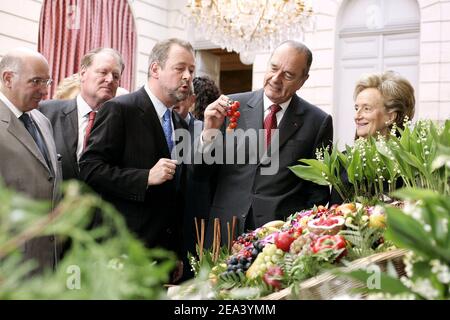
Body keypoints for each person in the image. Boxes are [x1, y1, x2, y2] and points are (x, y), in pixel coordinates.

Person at [78, 38, 194, 282]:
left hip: (162, 260)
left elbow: (177, 196)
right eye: (179, 68)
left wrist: (176, 253)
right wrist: (144, 178)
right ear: (155, 69)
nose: (187, 77)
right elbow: (90, 169)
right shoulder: (120, 109)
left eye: (191, 71)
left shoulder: (181, 124)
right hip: (122, 255)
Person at [199, 40, 333, 243]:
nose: (276, 79)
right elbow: (199, 174)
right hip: (224, 232)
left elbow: (317, 194)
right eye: (273, 68)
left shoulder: (318, 122)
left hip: (279, 240)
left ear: (303, 80)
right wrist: (209, 132)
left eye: (288, 75)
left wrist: (301, 239)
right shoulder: (229, 107)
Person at [0, 48, 62, 273]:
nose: (45, 91)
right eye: (36, 81)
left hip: (46, 259)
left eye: (47, 81)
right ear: (8, 78)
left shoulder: (42, 120)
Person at [330, 70, 416, 204]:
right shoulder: (344, 160)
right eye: (356, 108)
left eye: (366, 109)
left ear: (391, 116)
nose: (357, 116)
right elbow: (334, 212)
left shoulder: (409, 163)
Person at [39, 48, 124, 181]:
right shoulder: (45, 112)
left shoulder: (124, 123)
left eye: (116, 76)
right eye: (103, 72)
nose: (110, 79)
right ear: (83, 73)